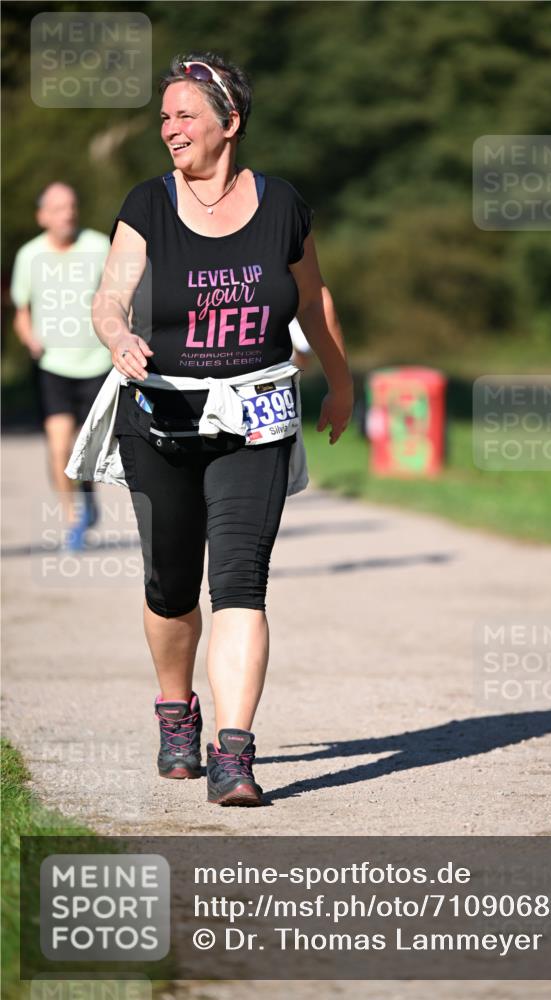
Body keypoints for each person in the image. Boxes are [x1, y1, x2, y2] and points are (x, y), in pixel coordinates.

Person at [80, 52, 354, 807]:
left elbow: (312, 299)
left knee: (240, 581)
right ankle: (177, 711)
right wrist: (117, 336)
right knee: (171, 585)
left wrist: (342, 383)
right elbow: (109, 296)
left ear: (229, 122)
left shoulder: (282, 205)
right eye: (164, 117)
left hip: (256, 415)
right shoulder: (147, 203)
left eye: (185, 115)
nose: (170, 128)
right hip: (161, 415)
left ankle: (234, 753)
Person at [10, 183, 112, 550]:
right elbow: (21, 310)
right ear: (42, 216)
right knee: (58, 447)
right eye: (57, 208)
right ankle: (72, 519)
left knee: (89, 449)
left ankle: (88, 494)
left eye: (71, 206)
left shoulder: (99, 246)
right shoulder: (29, 255)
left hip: (97, 362)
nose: (67, 214)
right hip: (53, 364)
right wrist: (30, 340)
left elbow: (120, 297)